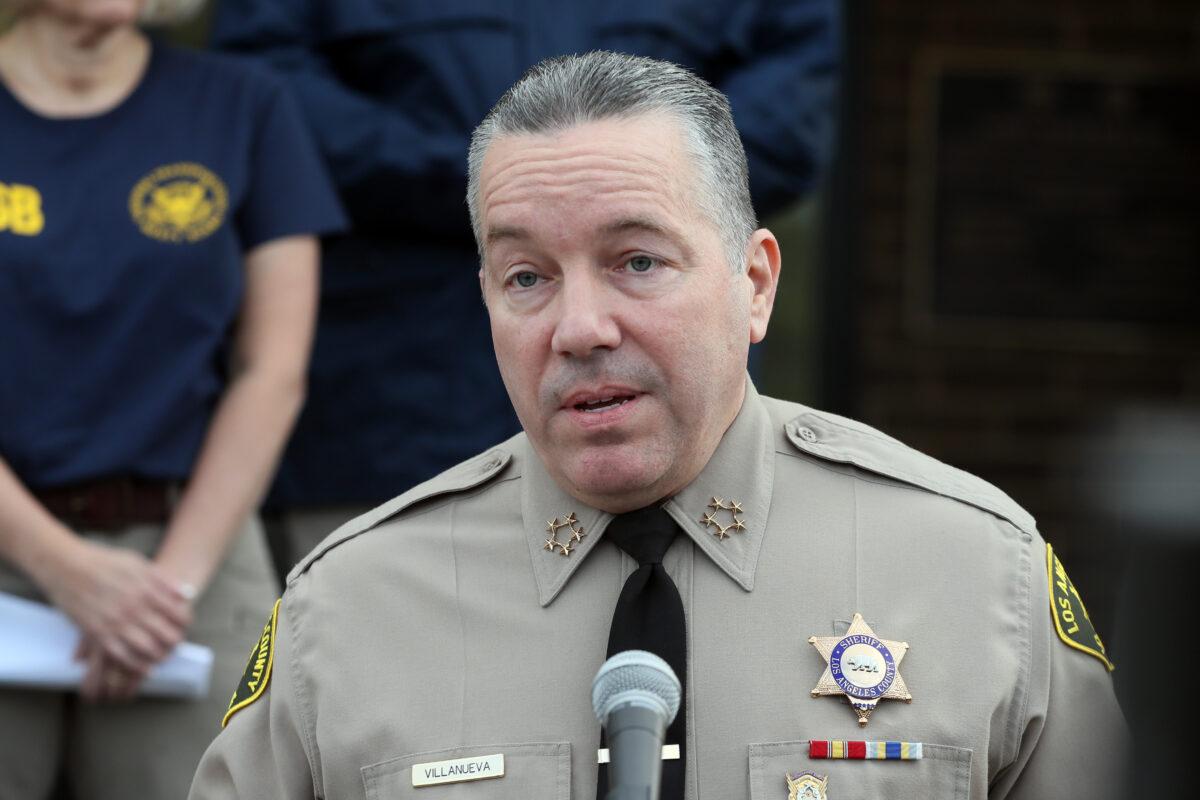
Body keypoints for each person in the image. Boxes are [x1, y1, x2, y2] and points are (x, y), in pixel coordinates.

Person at [189, 52, 1128, 799]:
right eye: (527, 277)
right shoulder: (350, 612)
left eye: (637, 261)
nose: (580, 328)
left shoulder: (973, 574)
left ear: (755, 284)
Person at [208, 0, 840, 578]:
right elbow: (273, 97)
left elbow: (791, 103)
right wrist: (497, 180)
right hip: (387, 415)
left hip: (676, 440)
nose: (581, 326)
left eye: (640, 260)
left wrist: (620, 182)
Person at [0, 0, 345, 797]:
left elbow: (271, 369)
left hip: (193, 553)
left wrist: (168, 592)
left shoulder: (243, 104)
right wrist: (64, 569)